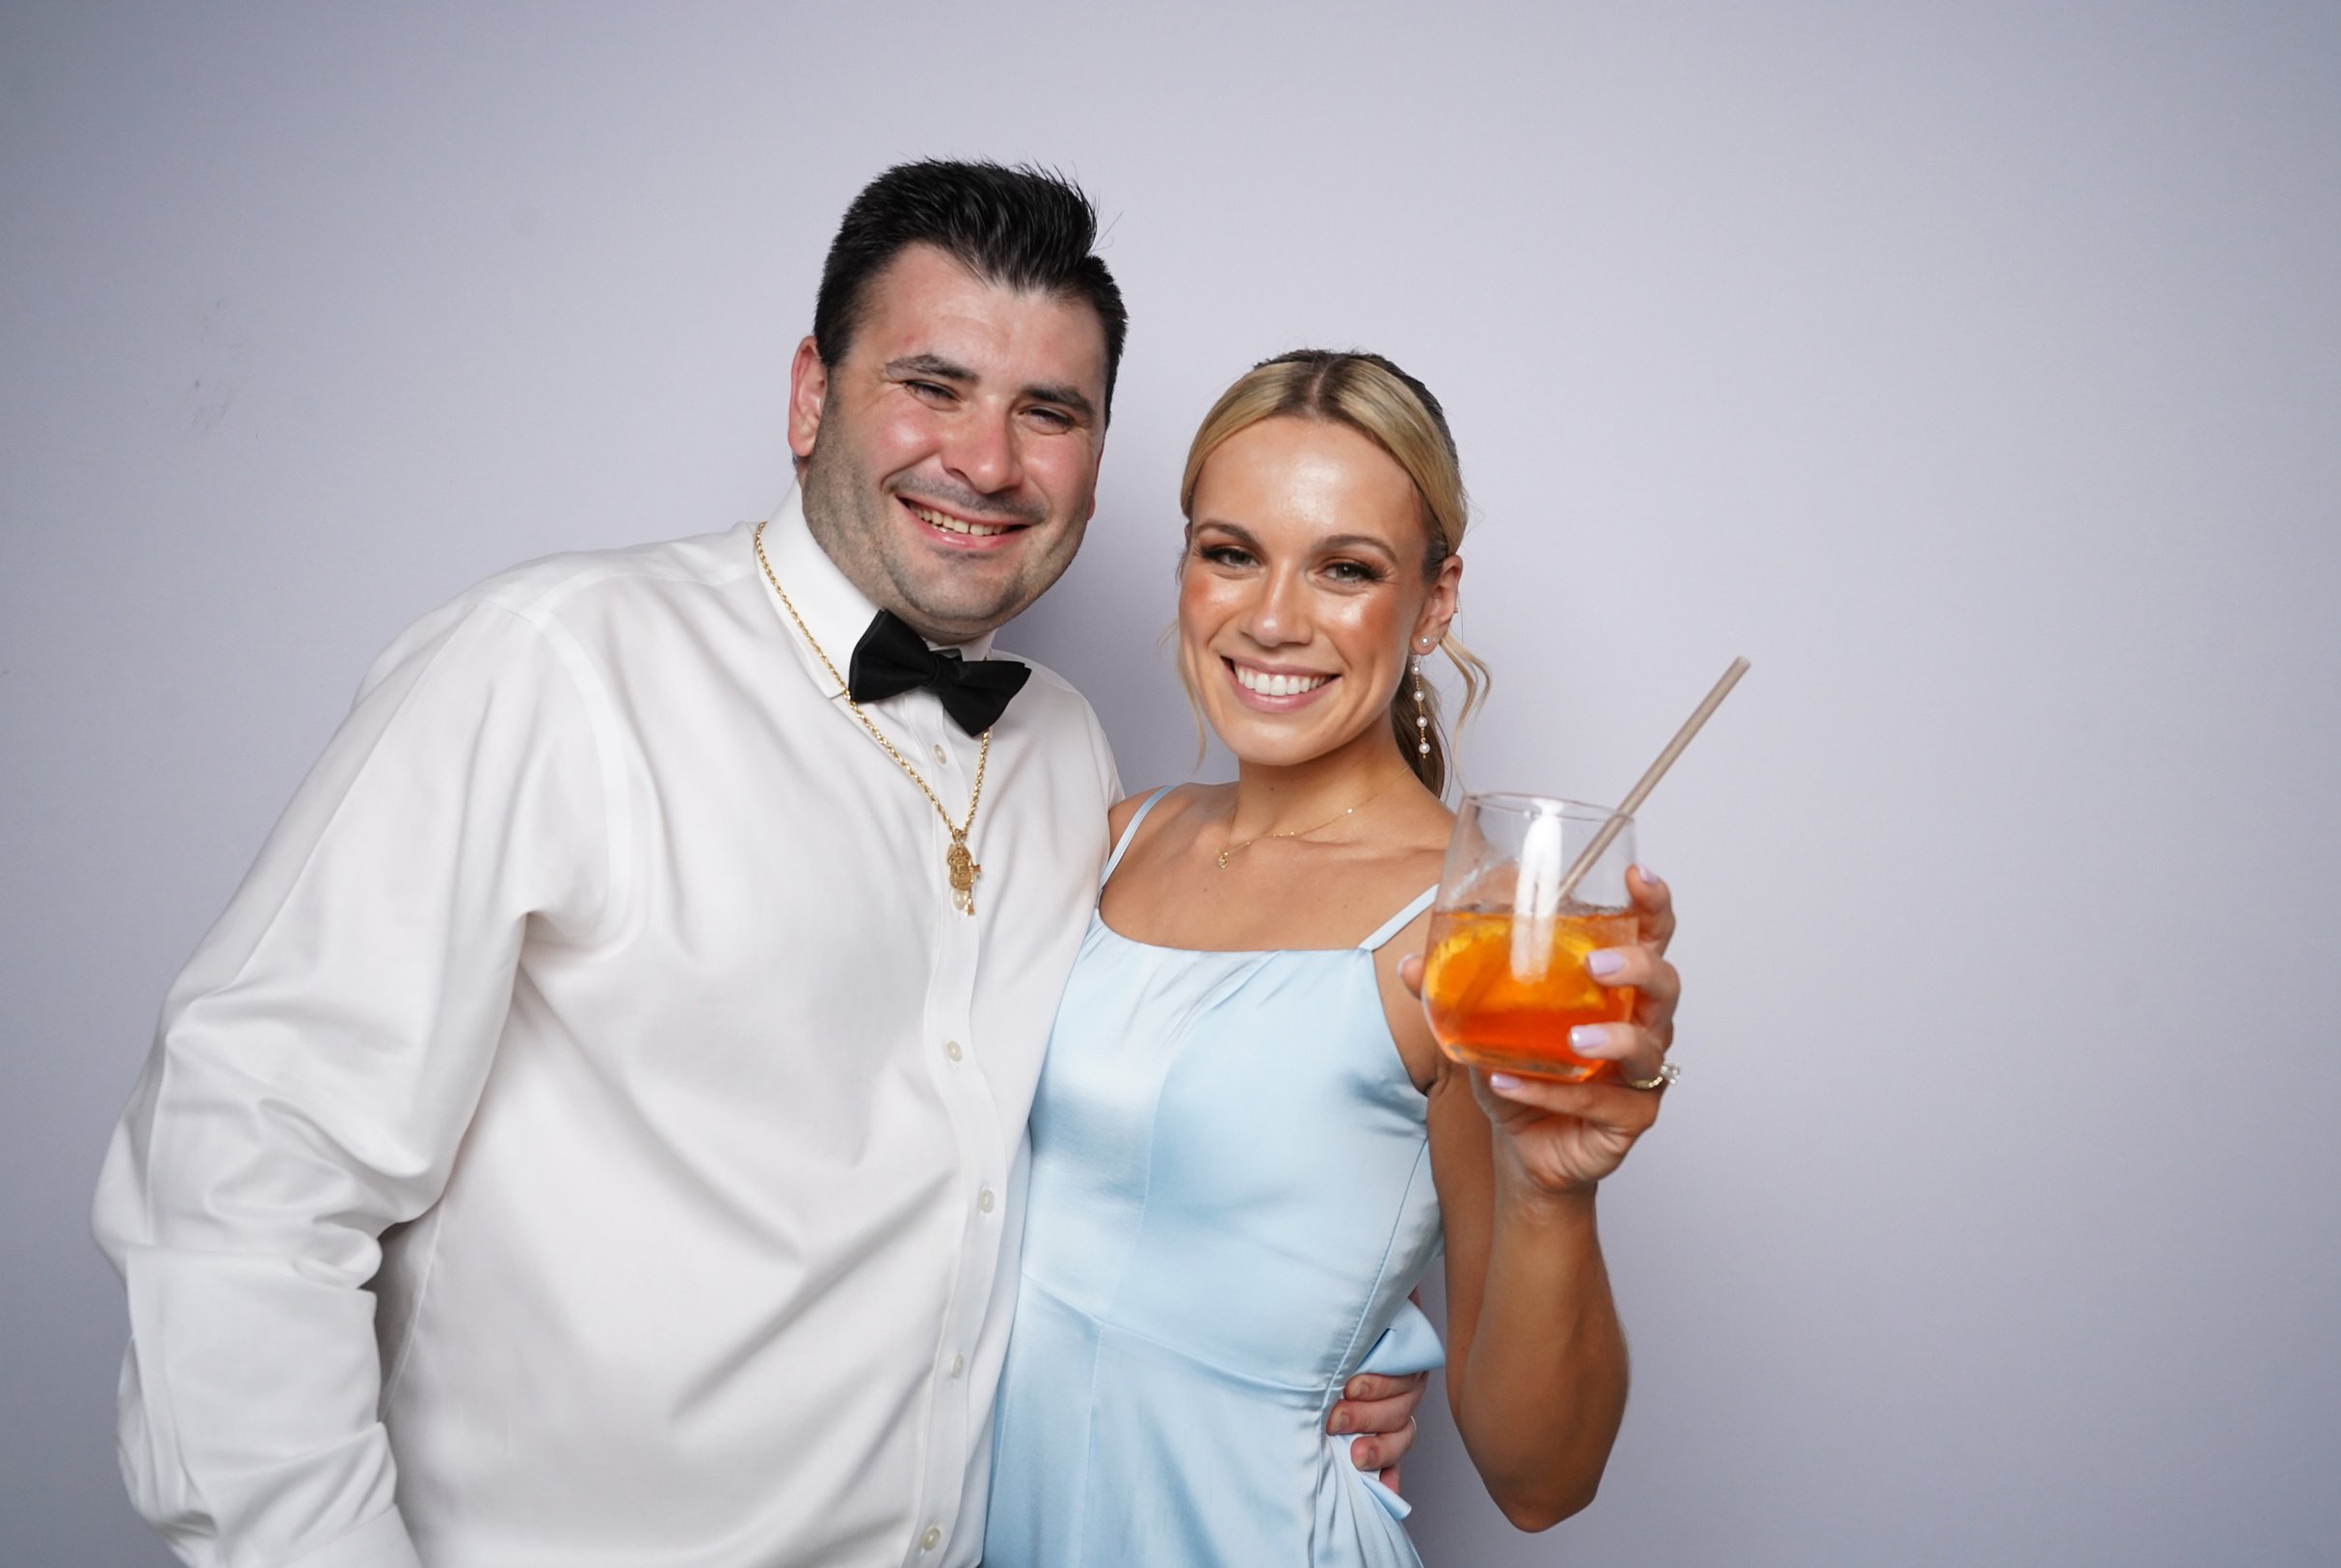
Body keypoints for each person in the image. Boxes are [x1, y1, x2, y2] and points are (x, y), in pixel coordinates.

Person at [91, 162, 1418, 1568]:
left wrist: (1304, 1355)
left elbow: (1106, 1155)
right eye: (935, 383)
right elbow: (239, 1174)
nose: (987, 462)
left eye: (1051, 413)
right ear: (809, 395)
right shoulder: (557, 663)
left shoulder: (1070, 761)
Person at [981, 350, 1683, 1566]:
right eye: (1230, 551)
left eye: (1345, 569)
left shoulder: (1463, 939)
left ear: (1436, 596)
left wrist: (1554, 1192)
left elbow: (1539, 1478)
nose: (1273, 618)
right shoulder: (1106, 834)